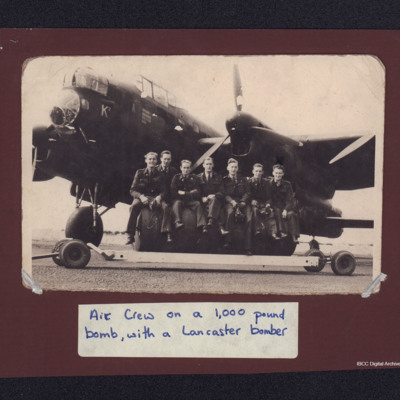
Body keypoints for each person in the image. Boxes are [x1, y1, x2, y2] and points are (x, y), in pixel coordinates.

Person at [126, 152, 172, 245]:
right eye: (150, 159)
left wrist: (159, 197)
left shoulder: (161, 174)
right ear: (146, 160)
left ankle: (166, 232)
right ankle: (130, 235)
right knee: (134, 206)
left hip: (155, 198)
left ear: (156, 161)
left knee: (166, 207)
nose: (152, 161)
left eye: (154, 159)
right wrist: (141, 197)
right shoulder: (139, 173)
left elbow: (164, 191)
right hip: (142, 197)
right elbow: (133, 190)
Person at [222, 158, 252, 255]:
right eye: (232, 167)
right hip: (230, 202)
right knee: (230, 213)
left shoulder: (243, 180)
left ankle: (248, 247)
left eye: (235, 167)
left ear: (238, 168)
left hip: (243, 202)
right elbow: (224, 193)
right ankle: (227, 241)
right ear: (227, 168)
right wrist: (231, 201)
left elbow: (248, 192)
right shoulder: (224, 180)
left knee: (249, 219)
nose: (233, 169)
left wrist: (243, 202)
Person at [170, 159, 207, 232]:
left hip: (191, 201)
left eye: (188, 168)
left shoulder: (194, 178)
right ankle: (177, 222)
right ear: (181, 168)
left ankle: (202, 225)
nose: (186, 170)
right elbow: (173, 192)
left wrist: (184, 193)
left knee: (198, 204)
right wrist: (190, 193)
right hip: (180, 200)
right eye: (184, 168)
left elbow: (198, 192)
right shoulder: (176, 178)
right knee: (176, 204)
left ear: (190, 168)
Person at [268, 164, 300, 243]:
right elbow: (268, 197)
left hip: (285, 206)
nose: (277, 175)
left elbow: (290, 200)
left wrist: (286, 209)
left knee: (292, 214)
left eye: (279, 173)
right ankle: (282, 232)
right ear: (273, 173)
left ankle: (294, 237)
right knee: (277, 212)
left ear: (283, 174)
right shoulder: (268, 183)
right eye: (276, 173)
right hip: (274, 205)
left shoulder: (287, 184)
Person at [248, 163, 278, 239]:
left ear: (262, 172)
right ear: (253, 171)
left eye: (260, 171)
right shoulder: (248, 182)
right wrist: (251, 200)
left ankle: (273, 232)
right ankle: (258, 230)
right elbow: (246, 194)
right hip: (252, 204)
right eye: (256, 171)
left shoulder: (266, 183)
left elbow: (269, 197)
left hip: (263, 203)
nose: (258, 173)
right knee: (254, 210)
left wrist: (268, 204)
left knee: (270, 211)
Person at [197, 157, 226, 233]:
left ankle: (211, 220)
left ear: (213, 165)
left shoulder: (218, 177)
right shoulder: (198, 177)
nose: (208, 166)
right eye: (207, 164)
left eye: (210, 164)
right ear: (203, 165)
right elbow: (197, 191)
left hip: (215, 201)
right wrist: (202, 197)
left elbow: (222, 192)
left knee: (215, 200)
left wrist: (214, 195)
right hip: (204, 201)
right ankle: (215, 225)